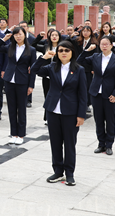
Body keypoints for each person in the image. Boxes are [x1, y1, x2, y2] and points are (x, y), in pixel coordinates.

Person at [31, 40, 87, 186]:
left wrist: (81, 115)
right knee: (55, 143)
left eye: (66, 50)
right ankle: (58, 171)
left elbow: (83, 94)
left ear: (72, 52)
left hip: (70, 112)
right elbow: (34, 69)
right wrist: (44, 57)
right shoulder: (52, 67)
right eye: (60, 50)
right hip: (53, 110)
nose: (63, 53)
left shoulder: (79, 69)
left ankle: (69, 173)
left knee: (69, 144)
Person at [78, 36, 115, 155]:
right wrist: (87, 50)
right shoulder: (95, 57)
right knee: (98, 120)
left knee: (110, 120)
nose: (104, 46)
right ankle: (101, 144)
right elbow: (79, 61)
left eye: (106, 44)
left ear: (111, 45)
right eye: (102, 44)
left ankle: (109, 145)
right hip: (96, 93)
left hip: (110, 94)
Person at [0, 27, 37, 145]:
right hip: (9, 80)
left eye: (20, 34)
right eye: (16, 34)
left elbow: (33, 69)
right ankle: (14, 134)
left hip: (23, 81)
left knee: (21, 109)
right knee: (11, 108)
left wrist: (31, 85)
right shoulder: (10, 47)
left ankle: (21, 134)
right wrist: (3, 39)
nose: (18, 36)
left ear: (25, 35)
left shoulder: (31, 50)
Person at [32, 29, 63, 124]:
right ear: (49, 37)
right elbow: (33, 45)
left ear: (59, 37)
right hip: (46, 76)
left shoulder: (62, 48)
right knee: (47, 97)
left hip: (58, 76)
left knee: (58, 96)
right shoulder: (46, 47)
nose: (54, 37)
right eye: (52, 35)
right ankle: (48, 117)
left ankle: (59, 116)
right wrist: (39, 36)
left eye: (56, 35)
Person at [74, 26, 98, 114]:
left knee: (87, 86)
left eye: (87, 31)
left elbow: (96, 56)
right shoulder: (78, 41)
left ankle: (87, 104)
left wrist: (93, 68)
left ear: (91, 33)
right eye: (84, 31)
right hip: (78, 66)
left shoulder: (94, 43)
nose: (85, 33)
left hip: (88, 68)